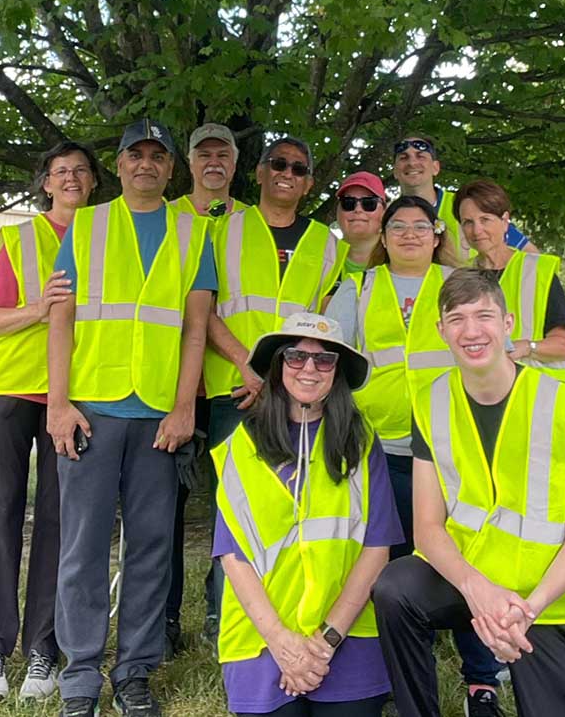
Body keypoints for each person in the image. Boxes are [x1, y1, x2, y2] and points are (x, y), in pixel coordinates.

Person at [372, 268, 565, 717]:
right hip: (477, 584)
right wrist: (477, 590)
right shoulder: (431, 402)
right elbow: (427, 528)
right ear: (441, 330)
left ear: (507, 325)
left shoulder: (561, 405)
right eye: (457, 319)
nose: (471, 330)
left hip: (553, 600)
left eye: (484, 315)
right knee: (395, 587)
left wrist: (528, 609)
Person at [47, 119, 217, 717]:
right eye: (134, 155)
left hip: (158, 420)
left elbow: (196, 329)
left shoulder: (195, 234)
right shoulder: (88, 225)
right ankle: (81, 677)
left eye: (157, 156)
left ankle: (136, 671)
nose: (146, 164)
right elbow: (60, 320)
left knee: (150, 547)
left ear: (172, 168)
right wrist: (59, 403)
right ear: (117, 166)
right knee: (83, 548)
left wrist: (184, 407)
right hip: (92, 409)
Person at [326, 196, 501, 710]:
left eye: (419, 226)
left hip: (450, 449)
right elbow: (331, 363)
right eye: (397, 226)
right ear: (381, 236)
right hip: (377, 451)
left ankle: (482, 679)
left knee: (467, 559)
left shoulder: (457, 287)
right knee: (395, 570)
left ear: (436, 234)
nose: (408, 235)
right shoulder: (358, 287)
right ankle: (403, 675)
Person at [212, 312, 402, 716]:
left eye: (324, 360)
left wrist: (325, 640)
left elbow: (377, 548)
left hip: (347, 632)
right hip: (261, 635)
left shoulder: (362, 444)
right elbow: (234, 558)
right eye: (295, 357)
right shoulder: (239, 447)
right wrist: (282, 642)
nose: (309, 368)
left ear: (338, 372)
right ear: (278, 366)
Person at [0, 140, 100, 703]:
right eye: (60, 171)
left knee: (57, 519)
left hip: (70, 396)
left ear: (95, 181)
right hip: (6, 391)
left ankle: (45, 648)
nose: (70, 178)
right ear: (46, 183)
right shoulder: (18, 238)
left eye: (80, 171)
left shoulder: (105, 237)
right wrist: (38, 308)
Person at [203, 136, 349, 643]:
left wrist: (286, 381)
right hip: (234, 390)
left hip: (298, 396)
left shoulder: (327, 244)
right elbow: (205, 312)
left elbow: (325, 323)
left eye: (299, 168)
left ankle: (288, 611)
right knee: (235, 511)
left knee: (291, 507)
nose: (288, 173)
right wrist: (253, 369)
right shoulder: (222, 229)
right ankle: (222, 613)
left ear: (309, 182)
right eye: (278, 164)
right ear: (260, 172)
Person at [166, 123, 249, 657]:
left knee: (234, 507)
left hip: (225, 387)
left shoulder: (250, 222)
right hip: (166, 385)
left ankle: (225, 609)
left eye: (223, 154)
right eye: (204, 153)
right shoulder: (165, 216)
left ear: (236, 164)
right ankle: (164, 619)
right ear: (189, 162)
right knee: (163, 512)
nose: (213, 162)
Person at [454, 179, 565, 381]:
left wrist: (527, 347)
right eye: (468, 222)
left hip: (537, 397)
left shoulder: (538, 271)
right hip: (482, 395)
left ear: (505, 220)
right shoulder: (459, 278)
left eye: (485, 220)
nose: (477, 230)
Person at [391, 136, 537, 262]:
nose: (412, 163)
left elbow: (530, 255)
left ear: (436, 167)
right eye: (404, 158)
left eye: (420, 156)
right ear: (395, 171)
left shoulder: (467, 204)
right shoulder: (386, 217)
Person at [333, 171, 386, 280]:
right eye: (348, 203)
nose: (358, 210)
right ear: (337, 212)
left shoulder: (400, 257)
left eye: (369, 203)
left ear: (384, 212)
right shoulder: (319, 256)